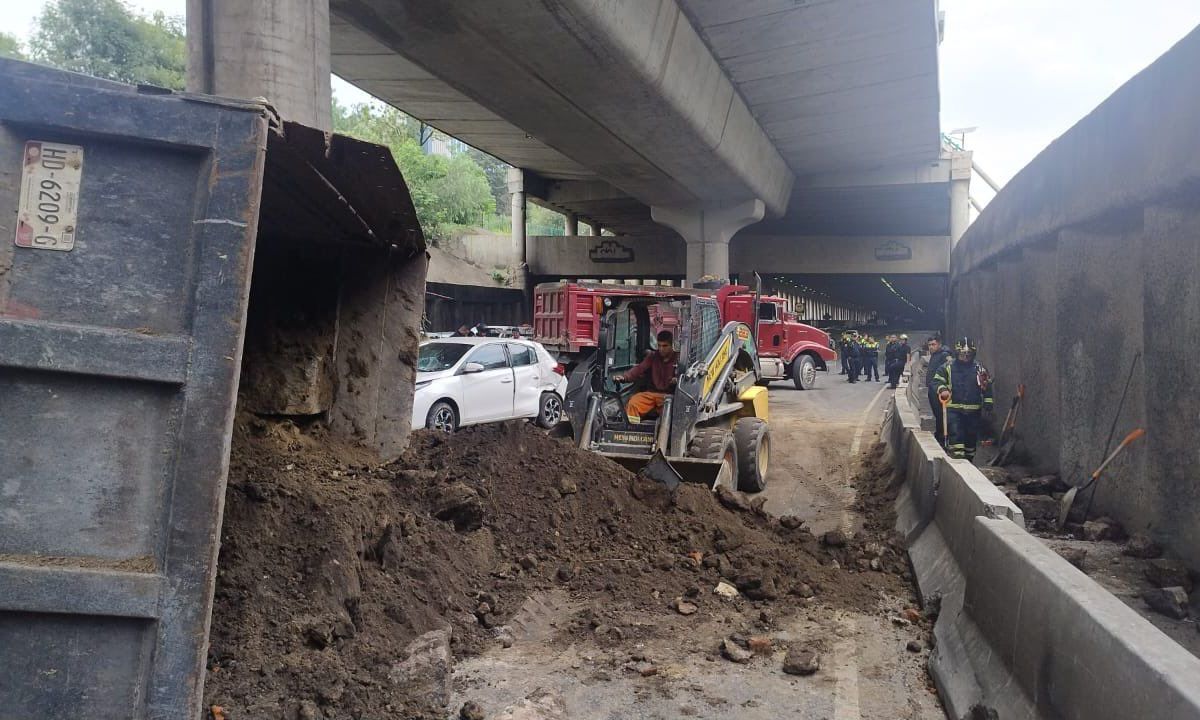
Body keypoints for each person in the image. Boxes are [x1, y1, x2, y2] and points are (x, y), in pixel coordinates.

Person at [934, 337, 994, 461]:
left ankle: (969, 461)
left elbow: (986, 386)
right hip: (954, 409)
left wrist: (988, 402)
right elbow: (936, 381)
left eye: (968, 354)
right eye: (962, 354)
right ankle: (958, 460)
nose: (966, 357)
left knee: (971, 438)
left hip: (973, 411)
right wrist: (942, 389)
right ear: (957, 353)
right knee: (956, 435)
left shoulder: (979, 369)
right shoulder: (947, 367)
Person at [613, 330, 678, 423]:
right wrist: (624, 377)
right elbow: (639, 368)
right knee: (633, 404)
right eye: (659, 345)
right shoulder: (653, 356)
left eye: (665, 346)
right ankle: (632, 430)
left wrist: (677, 380)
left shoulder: (678, 358)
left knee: (669, 411)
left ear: (672, 345)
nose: (661, 349)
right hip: (651, 394)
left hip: (669, 396)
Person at [925, 335, 952, 445]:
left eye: (933, 344)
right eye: (929, 345)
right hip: (932, 389)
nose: (931, 347)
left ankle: (942, 437)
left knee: (941, 414)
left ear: (939, 344)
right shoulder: (935, 355)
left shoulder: (944, 355)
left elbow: (947, 372)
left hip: (939, 390)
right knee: (937, 413)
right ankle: (939, 434)